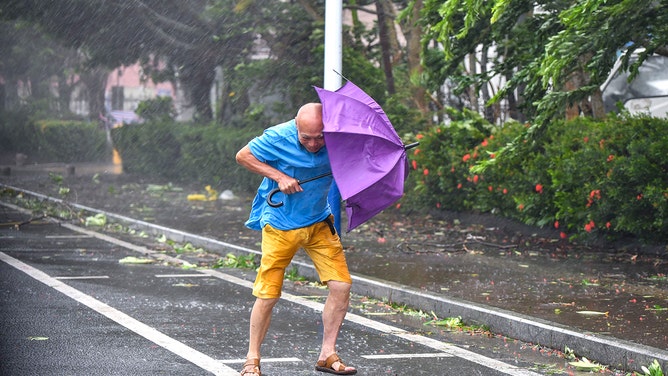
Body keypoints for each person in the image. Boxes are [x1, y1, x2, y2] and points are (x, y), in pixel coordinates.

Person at [235, 103, 357, 376]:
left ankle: (327, 354)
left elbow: (357, 161)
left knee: (342, 286)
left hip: (319, 222)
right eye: (306, 138)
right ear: (296, 128)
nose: (314, 144)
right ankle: (252, 360)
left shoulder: (340, 139)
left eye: (320, 137)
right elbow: (243, 156)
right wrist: (279, 176)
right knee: (268, 292)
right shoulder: (277, 137)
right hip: (280, 223)